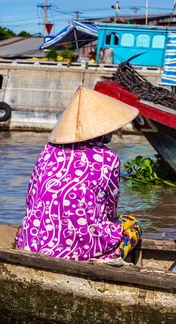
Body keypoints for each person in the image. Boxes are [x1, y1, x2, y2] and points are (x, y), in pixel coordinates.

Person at [16, 86, 142, 261]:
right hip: (80, 249)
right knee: (132, 224)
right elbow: (109, 210)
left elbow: (31, 197)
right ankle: (109, 257)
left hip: (32, 243)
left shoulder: (48, 150)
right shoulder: (108, 159)